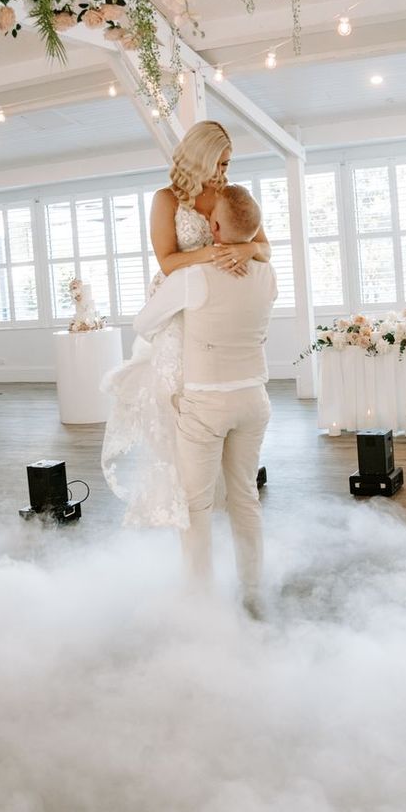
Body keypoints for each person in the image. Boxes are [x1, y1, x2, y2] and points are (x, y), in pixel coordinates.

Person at [101, 121, 270, 529]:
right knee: (181, 403)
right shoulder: (167, 200)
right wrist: (215, 254)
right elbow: (168, 261)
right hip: (179, 305)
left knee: (222, 394)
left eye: (229, 163)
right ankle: (190, 502)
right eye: (219, 162)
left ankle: (228, 490)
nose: (224, 171)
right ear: (200, 157)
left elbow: (263, 246)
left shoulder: (228, 196)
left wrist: (244, 248)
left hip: (219, 305)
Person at [133, 185, 277, 613]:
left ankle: (200, 598)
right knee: (245, 496)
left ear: (213, 227)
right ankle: (253, 587)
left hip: (205, 405)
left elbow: (144, 323)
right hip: (255, 398)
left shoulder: (192, 278)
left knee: (196, 505)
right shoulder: (268, 274)